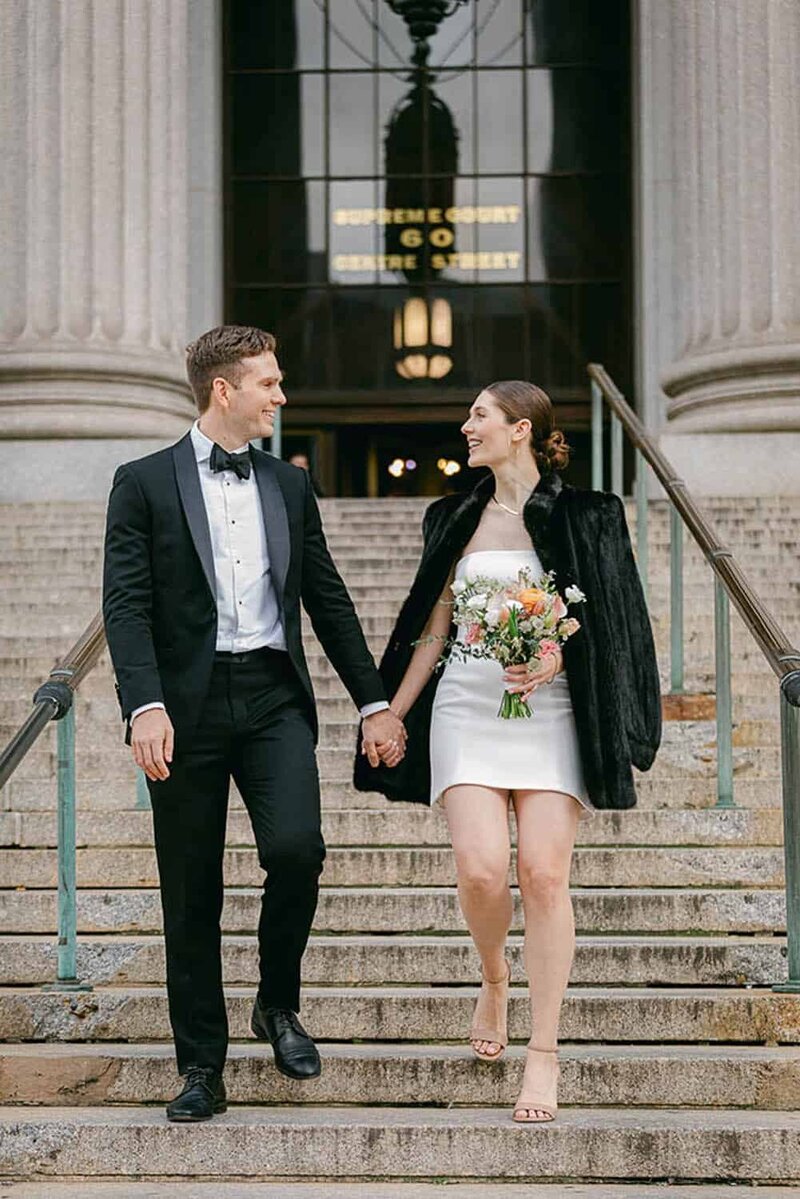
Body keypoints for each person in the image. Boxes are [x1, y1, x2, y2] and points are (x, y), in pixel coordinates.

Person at [103, 325, 405, 1123]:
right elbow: (126, 607)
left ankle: (278, 1003)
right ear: (223, 390)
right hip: (185, 709)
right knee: (191, 891)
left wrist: (374, 701)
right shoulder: (141, 482)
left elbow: (329, 599)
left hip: (273, 695)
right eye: (268, 382)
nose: (281, 394)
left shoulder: (288, 484)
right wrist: (145, 704)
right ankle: (202, 1063)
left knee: (298, 848)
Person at [355, 380, 661, 1124]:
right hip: (466, 705)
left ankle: (544, 1052)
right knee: (482, 866)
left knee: (545, 874)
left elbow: (612, 617)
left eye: (479, 415)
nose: (466, 426)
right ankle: (494, 976)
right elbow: (432, 625)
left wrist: (559, 655)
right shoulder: (453, 514)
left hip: (552, 711)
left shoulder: (589, 514)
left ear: (520, 429)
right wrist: (391, 713)